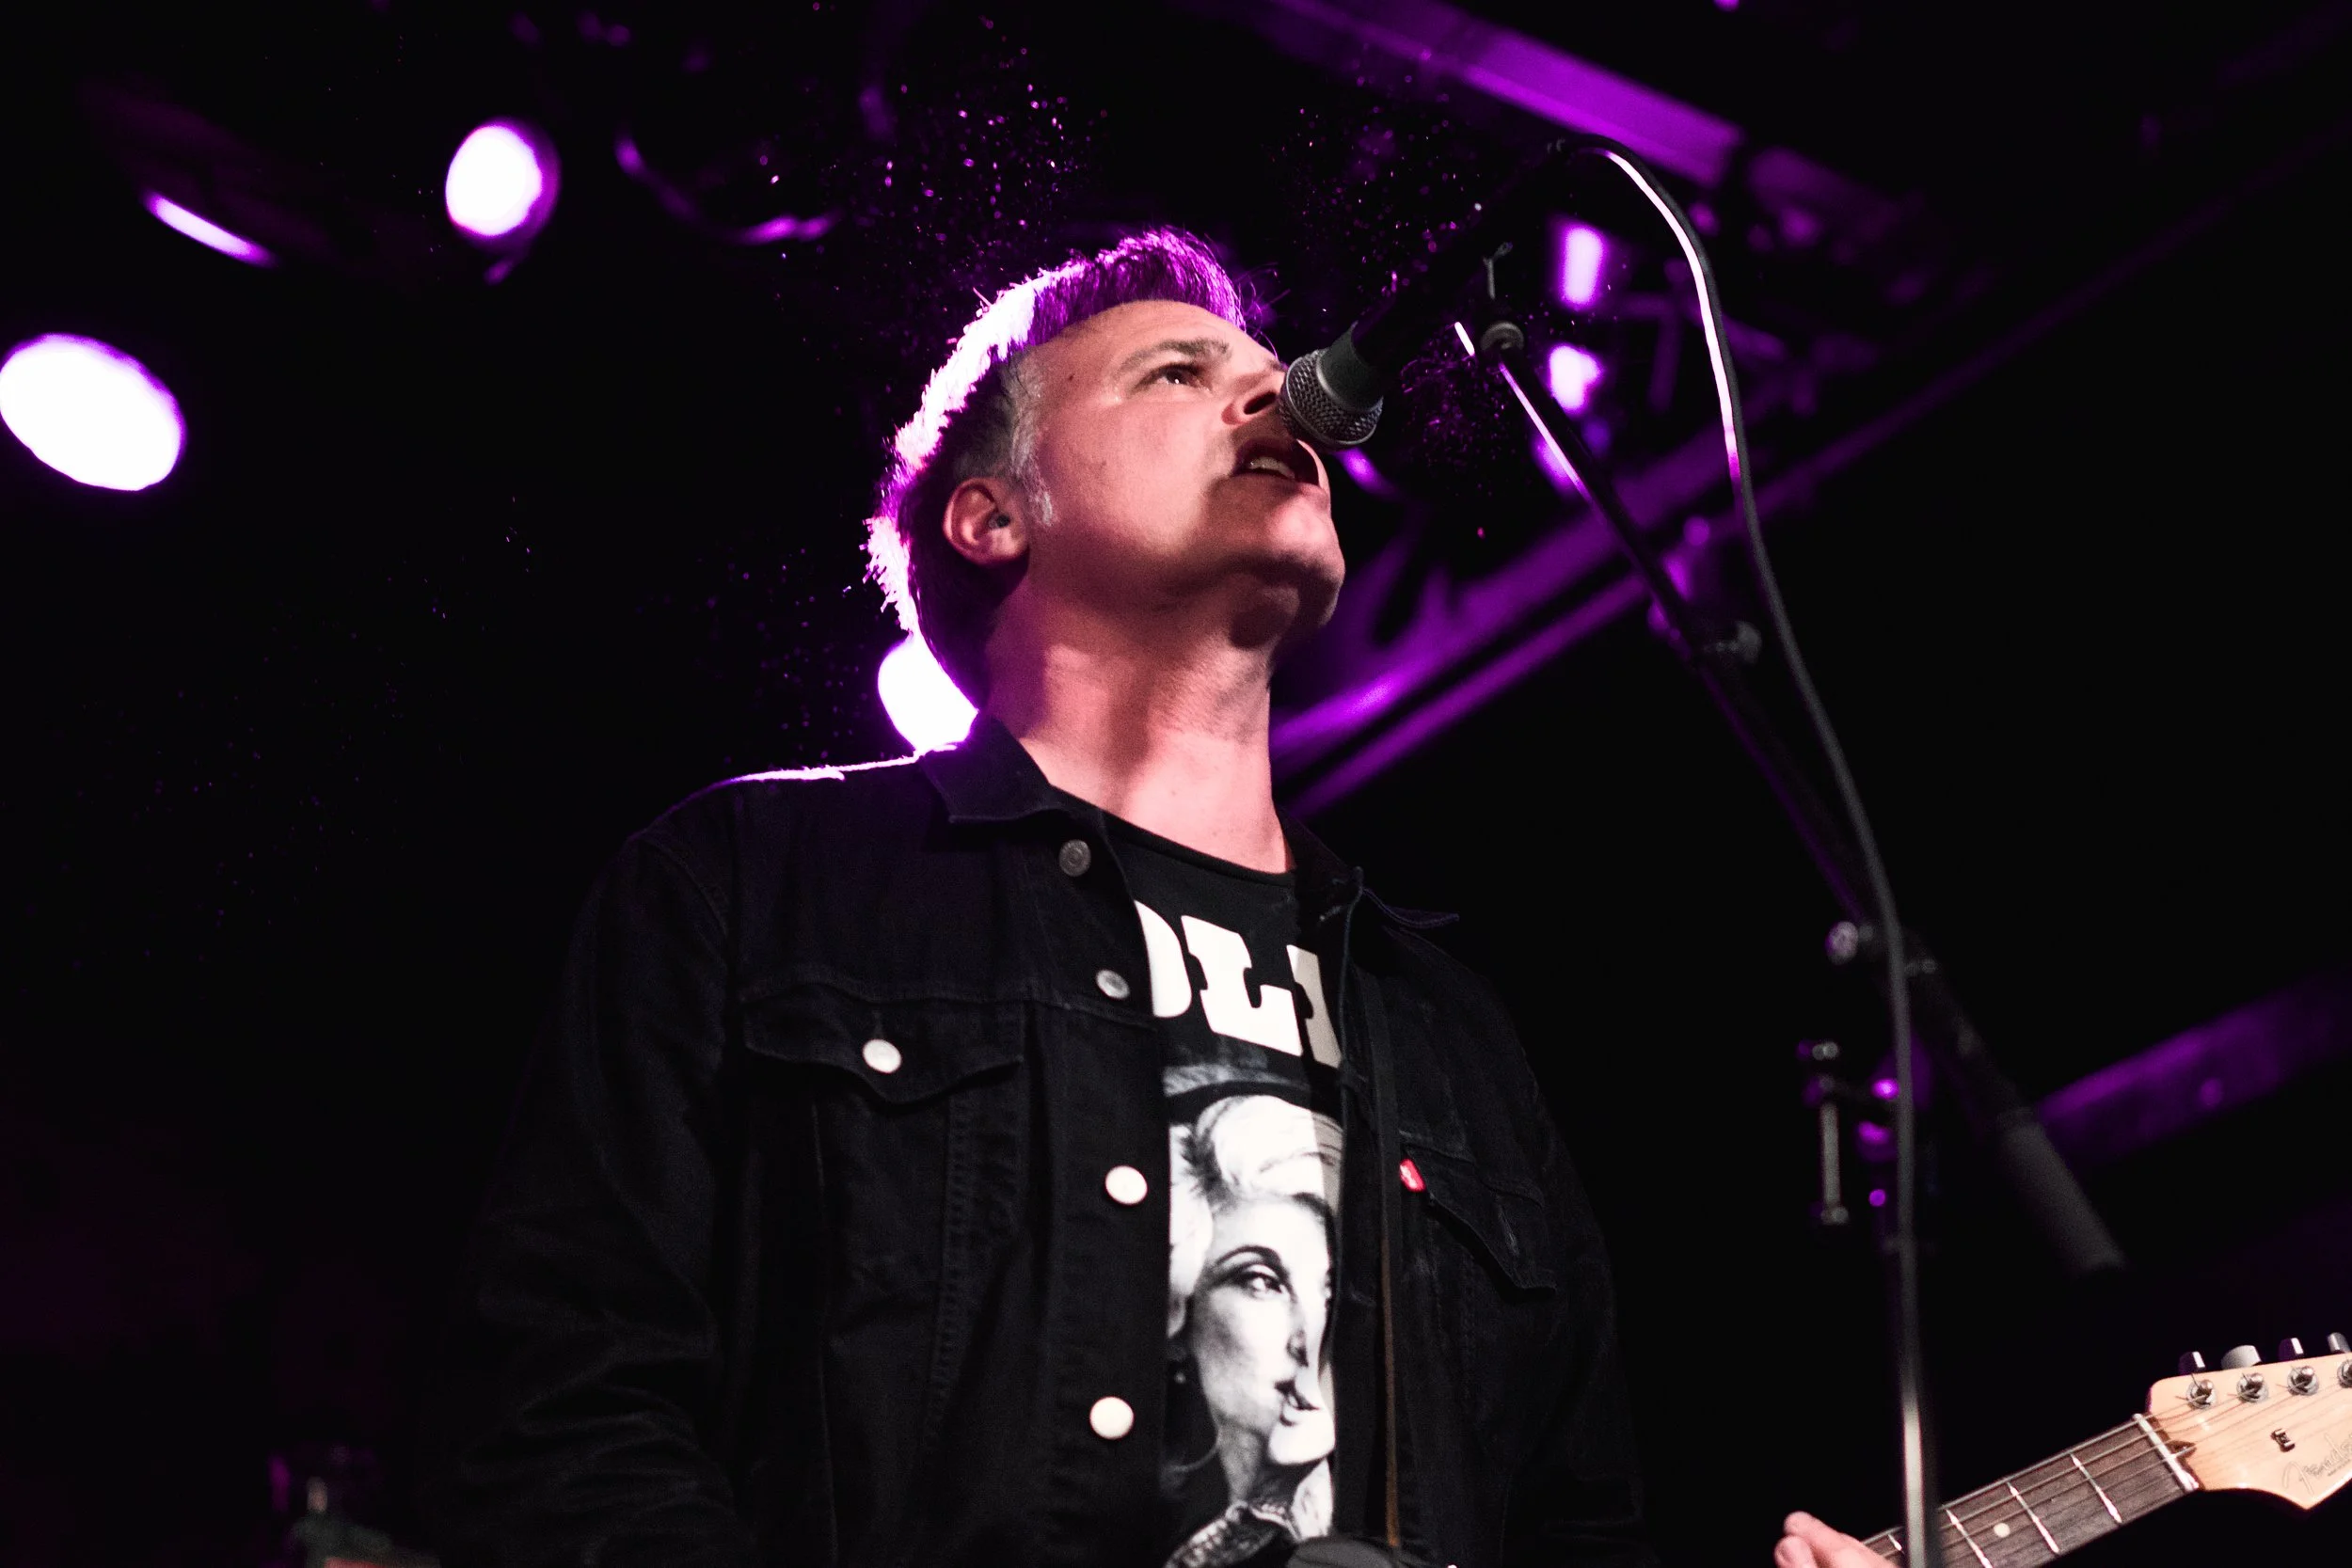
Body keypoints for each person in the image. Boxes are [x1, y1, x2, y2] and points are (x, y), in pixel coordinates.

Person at [422, 228, 1665, 1568]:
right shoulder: (751, 888)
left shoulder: (1447, 1028)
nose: (1280, 393)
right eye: (1179, 372)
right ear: (993, 513)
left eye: (1268, 364)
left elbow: (1578, 1525)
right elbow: (566, 1430)